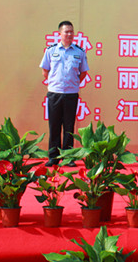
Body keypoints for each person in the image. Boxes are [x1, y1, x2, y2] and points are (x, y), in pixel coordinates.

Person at [40, 21, 89, 166]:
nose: (69, 34)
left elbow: (83, 72)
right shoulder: (51, 50)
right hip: (55, 93)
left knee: (69, 126)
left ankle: (68, 157)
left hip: (71, 94)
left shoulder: (79, 52)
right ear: (59, 33)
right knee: (54, 125)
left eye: (71, 32)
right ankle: (53, 157)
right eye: (66, 32)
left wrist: (73, 84)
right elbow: (45, 70)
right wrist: (55, 82)